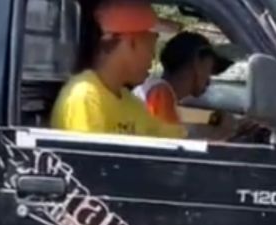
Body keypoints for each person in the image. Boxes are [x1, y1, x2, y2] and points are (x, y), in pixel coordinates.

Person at [51, 0, 185, 139]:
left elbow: (168, 137)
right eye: (151, 44)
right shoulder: (85, 98)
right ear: (130, 43)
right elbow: (89, 159)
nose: (153, 56)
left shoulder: (128, 101)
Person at [134, 31, 231, 127]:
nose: (209, 81)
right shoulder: (161, 93)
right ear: (197, 61)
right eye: (211, 69)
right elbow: (166, 139)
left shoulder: (157, 89)